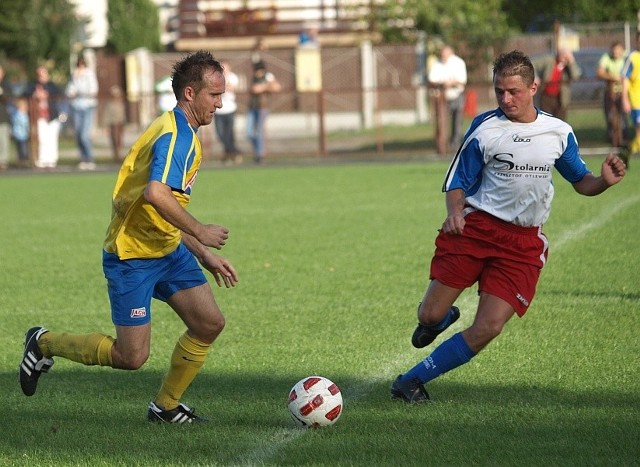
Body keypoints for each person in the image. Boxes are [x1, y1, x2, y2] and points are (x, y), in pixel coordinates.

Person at [390, 50, 626, 404]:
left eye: (513, 91)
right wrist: (455, 212)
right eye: (500, 91)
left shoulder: (558, 132)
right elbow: (458, 181)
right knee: (430, 314)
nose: (505, 99)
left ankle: (411, 381)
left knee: (489, 327)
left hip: (522, 243)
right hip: (475, 230)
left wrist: (604, 182)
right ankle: (439, 319)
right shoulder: (486, 127)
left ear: (533, 87)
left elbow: (582, 182)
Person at [19, 50, 239, 424]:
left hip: (168, 250)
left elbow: (162, 208)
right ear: (190, 93)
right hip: (132, 257)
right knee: (131, 357)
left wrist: (201, 253)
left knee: (209, 323)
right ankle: (43, 342)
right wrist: (201, 230)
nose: (220, 103)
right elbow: (156, 193)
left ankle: (165, 407)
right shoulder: (175, 137)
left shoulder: (184, 132)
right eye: (213, 95)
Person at [24, 66, 65, 169]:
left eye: (43, 74)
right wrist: (35, 94)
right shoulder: (33, 85)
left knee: (52, 138)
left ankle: (52, 160)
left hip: (52, 115)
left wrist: (47, 94)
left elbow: (59, 93)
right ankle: (42, 159)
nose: (41, 76)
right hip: (39, 116)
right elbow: (25, 93)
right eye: (39, 74)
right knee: (42, 138)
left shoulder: (52, 86)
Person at [428, 45, 467, 151]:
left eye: (445, 55)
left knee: (457, 121)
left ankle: (455, 145)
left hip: (456, 95)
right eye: (442, 55)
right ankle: (442, 146)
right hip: (441, 98)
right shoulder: (437, 64)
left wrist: (451, 83)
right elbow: (432, 79)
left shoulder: (459, 63)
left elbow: (462, 81)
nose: (443, 57)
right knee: (441, 122)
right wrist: (442, 83)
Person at [67, 55, 99, 170]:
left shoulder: (89, 75)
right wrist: (75, 78)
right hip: (77, 107)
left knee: (85, 135)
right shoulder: (74, 75)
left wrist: (79, 91)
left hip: (88, 106)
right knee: (78, 134)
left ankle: (89, 158)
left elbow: (92, 90)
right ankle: (83, 158)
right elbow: (70, 91)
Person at [246, 61, 281, 163]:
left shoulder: (268, 76)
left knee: (260, 131)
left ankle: (260, 154)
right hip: (252, 107)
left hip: (262, 107)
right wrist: (264, 87)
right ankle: (258, 149)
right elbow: (254, 89)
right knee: (249, 132)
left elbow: (276, 87)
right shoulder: (254, 78)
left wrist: (263, 87)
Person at [534, 47, 582, 121]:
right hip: (546, 96)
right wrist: (535, 76)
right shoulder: (549, 60)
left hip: (561, 98)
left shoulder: (569, 66)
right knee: (546, 121)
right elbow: (532, 63)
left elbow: (576, 76)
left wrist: (572, 61)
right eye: (563, 55)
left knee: (561, 122)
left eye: (567, 56)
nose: (564, 58)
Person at [597, 40, 628, 149]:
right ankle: (614, 140)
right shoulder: (606, 58)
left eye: (618, 51)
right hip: (610, 93)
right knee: (612, 118)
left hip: (624, 93)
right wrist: (612, 77)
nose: (616, 53)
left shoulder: (627, 58)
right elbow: (599, 72)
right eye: (614, 51)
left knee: (623, 118)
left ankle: (623, 139)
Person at [214, 61, 241, 165]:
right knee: (220, 134)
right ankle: (234, 151)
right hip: (218, 111)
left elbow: (231, 88)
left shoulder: (233, 77)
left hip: (230, 109)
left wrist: (222, 88)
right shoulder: (216, 78)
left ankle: (230, 154)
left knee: (229, 133)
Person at [622, 32, 640, 157]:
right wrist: (625, 99)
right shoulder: (633, 57)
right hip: (636, 100)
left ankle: (630, 150)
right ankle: (632, 150)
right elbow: (625, 78)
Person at [101, 85, 126, 162]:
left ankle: (119, 153)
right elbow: (106, 116)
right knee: (114, 139)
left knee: (119, 140)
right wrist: (106, 126)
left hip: (120, 123)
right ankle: (116, 155)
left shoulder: (121, 103)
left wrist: (124, 124)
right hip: (113, 124)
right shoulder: (109, 104)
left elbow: (123, 114)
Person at [10, 97, 30, 167]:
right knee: (21, 149)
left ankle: (24, 161)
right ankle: (22, 161)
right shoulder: (18, 114)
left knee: (23, 148)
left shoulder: (21, 114)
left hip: (23, 135)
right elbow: (23, 123)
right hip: (20, 134)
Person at [0, 64, 12, 170]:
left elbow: (8, 97)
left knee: (3, 140)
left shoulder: (5, 85)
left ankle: (3, 162)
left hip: (2, 117)